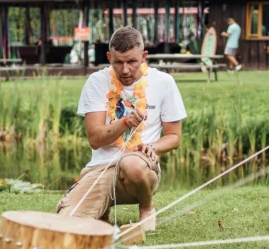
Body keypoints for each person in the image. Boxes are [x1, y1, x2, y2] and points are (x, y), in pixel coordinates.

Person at [55, 26, 186, 227]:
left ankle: (146, 209)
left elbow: (174, 137)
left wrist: (151, 147)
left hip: (140, 167)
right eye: (118, 62)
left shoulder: (164, 82)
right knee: (66, 220)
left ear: (143, 57)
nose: (125, 70)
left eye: (132, 61)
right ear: (109, 57)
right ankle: (100, 214)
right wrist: (124, 122)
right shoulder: (97, 81)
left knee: (131, 164)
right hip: (100, 169)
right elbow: (95, 140)